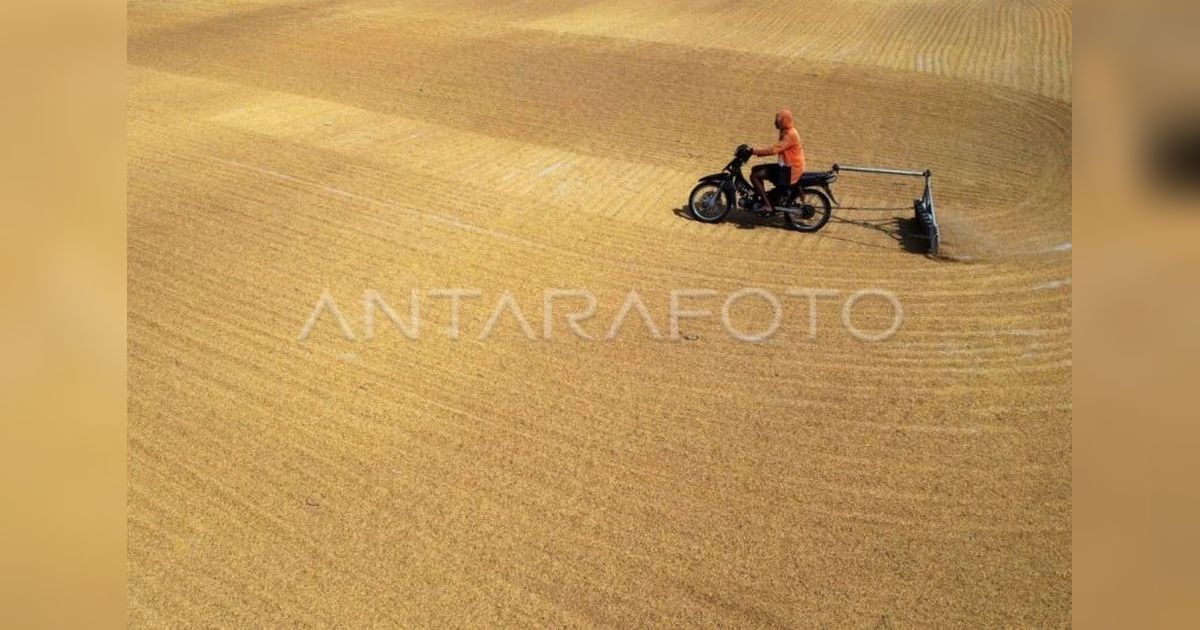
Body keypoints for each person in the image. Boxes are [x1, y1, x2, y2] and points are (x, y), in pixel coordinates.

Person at [749, 109, 806, 213]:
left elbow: (774, 149)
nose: (776, 122)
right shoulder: (785, 130)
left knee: (755, 175)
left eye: (778, 120)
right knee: (755, 168)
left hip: (790, 169)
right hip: (786, 165)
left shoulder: (790, 135)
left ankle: (767, 205)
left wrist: (753, 151)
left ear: (784, 121)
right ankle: (764, 197)